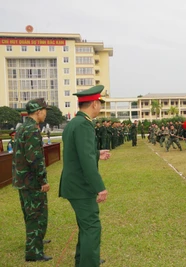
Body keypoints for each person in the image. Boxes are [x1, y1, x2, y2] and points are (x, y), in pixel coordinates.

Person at [59, 85, 110, 266]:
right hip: (81, 186)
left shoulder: (74, 122)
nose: (100, 108)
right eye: (100, 104)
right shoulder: (83, 124)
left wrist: (97, 153)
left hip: (75, 184)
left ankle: (85, 260)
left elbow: (79, 152)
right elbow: (86, 160)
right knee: (92, 227)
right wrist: (100, 187)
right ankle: (89, 262)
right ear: (95, 104)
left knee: (86, 226)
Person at [12, 98, 52, 262]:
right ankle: (33, 252)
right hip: (32, 181)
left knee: (31, 214)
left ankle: (36, 240)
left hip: (23, 180)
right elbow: (35, 159)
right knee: (37, 215)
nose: (45, 113)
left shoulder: (22, 127)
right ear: (38, 111)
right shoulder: (32, 131)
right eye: (44, 110)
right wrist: (43, 180)